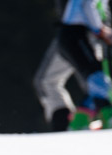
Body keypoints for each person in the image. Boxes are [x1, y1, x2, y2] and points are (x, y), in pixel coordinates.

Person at [57, 0, 112, 130]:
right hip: (74, 34)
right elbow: (89, 5)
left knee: (96, 80)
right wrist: (101, 30)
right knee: (97, 77)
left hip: (76, 34)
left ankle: (80, 122)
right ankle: (109, 118)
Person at [34, 1, 85, 131]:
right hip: (77, 31)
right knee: (47, 82)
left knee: (46, 82)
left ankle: (65, 129)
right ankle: (66, 127)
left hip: (79, 32)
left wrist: (98, 26)